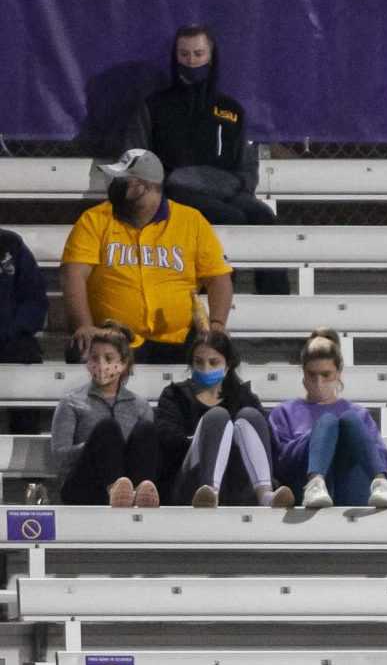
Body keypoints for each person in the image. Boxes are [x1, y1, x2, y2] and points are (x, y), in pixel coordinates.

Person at [61, 149, 230, 363]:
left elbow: (219, 278)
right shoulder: (95, 219)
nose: (114, 185)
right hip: (114, 338)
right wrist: (83, 325)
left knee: (216, 356)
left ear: (146, 186)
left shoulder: (191, 220)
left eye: (123, 181)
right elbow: (73, 274)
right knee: (84, 351)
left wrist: (216, 325)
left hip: (180, 338)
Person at [120, 24, 275, 237]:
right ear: (175, 57)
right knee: (231, 218)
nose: (191, 61)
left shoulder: (232, 109)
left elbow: (246, 164)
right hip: (174, 192)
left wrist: (240, 186)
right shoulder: (154, 106)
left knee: (263, 217)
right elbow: (134, 157)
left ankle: (268, 272)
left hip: (226, 190)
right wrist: (159, 186)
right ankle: (224, 271)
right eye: (184, 54)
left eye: (198, 54)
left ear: (211, 57)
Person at [268, 329, 387, 512]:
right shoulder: (284, 412)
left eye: (326, 375)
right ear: (303, 374)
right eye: (312, 375)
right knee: (327, 421)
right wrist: (318, 437)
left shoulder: (358, 414)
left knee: (348, 420)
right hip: (301, 484)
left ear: (338, 373)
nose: (319, 382)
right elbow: (280, 463)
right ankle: (315, 482)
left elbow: (383, 457)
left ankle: (381, 483)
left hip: (352, 486)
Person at [154, 327, 285, 508]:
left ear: (227, 367)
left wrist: (231, 442)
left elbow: (266, 438)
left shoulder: (244, 396)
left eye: (213, 362)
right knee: (217, 418)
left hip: (239, 481)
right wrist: (209, 440)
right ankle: (209, 492)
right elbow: (167, 440)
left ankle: (265, 494)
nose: (205, 368)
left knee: (250, 416)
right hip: (190, 482)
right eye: (199, 362)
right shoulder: (175, 396)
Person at [49, 323, 164, 507]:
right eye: (95, 358)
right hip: (85, 485)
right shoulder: (71, 402)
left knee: (147, 429)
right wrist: (95, 445)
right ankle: (115, 491)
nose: (101, 365)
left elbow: (149, 454)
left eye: (108, 358)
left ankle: (138, 494)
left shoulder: (140, 406)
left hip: (131, 480)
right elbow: (60, 458)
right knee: (107, 429)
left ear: (123, 364)